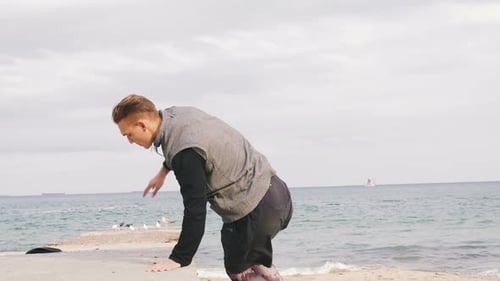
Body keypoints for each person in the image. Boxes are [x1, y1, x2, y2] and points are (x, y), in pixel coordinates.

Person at [112, 94, 293, 281]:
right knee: (239, 248)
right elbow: (193, 142)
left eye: (128, 135)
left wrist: (180, 257)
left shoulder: (184, 153)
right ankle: (265, 268)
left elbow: (195, 209)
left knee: (239, 271)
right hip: (277, 194)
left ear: (142, 125)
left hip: (257, 208)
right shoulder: (176, 115)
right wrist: (164, 170)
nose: (130, 141)